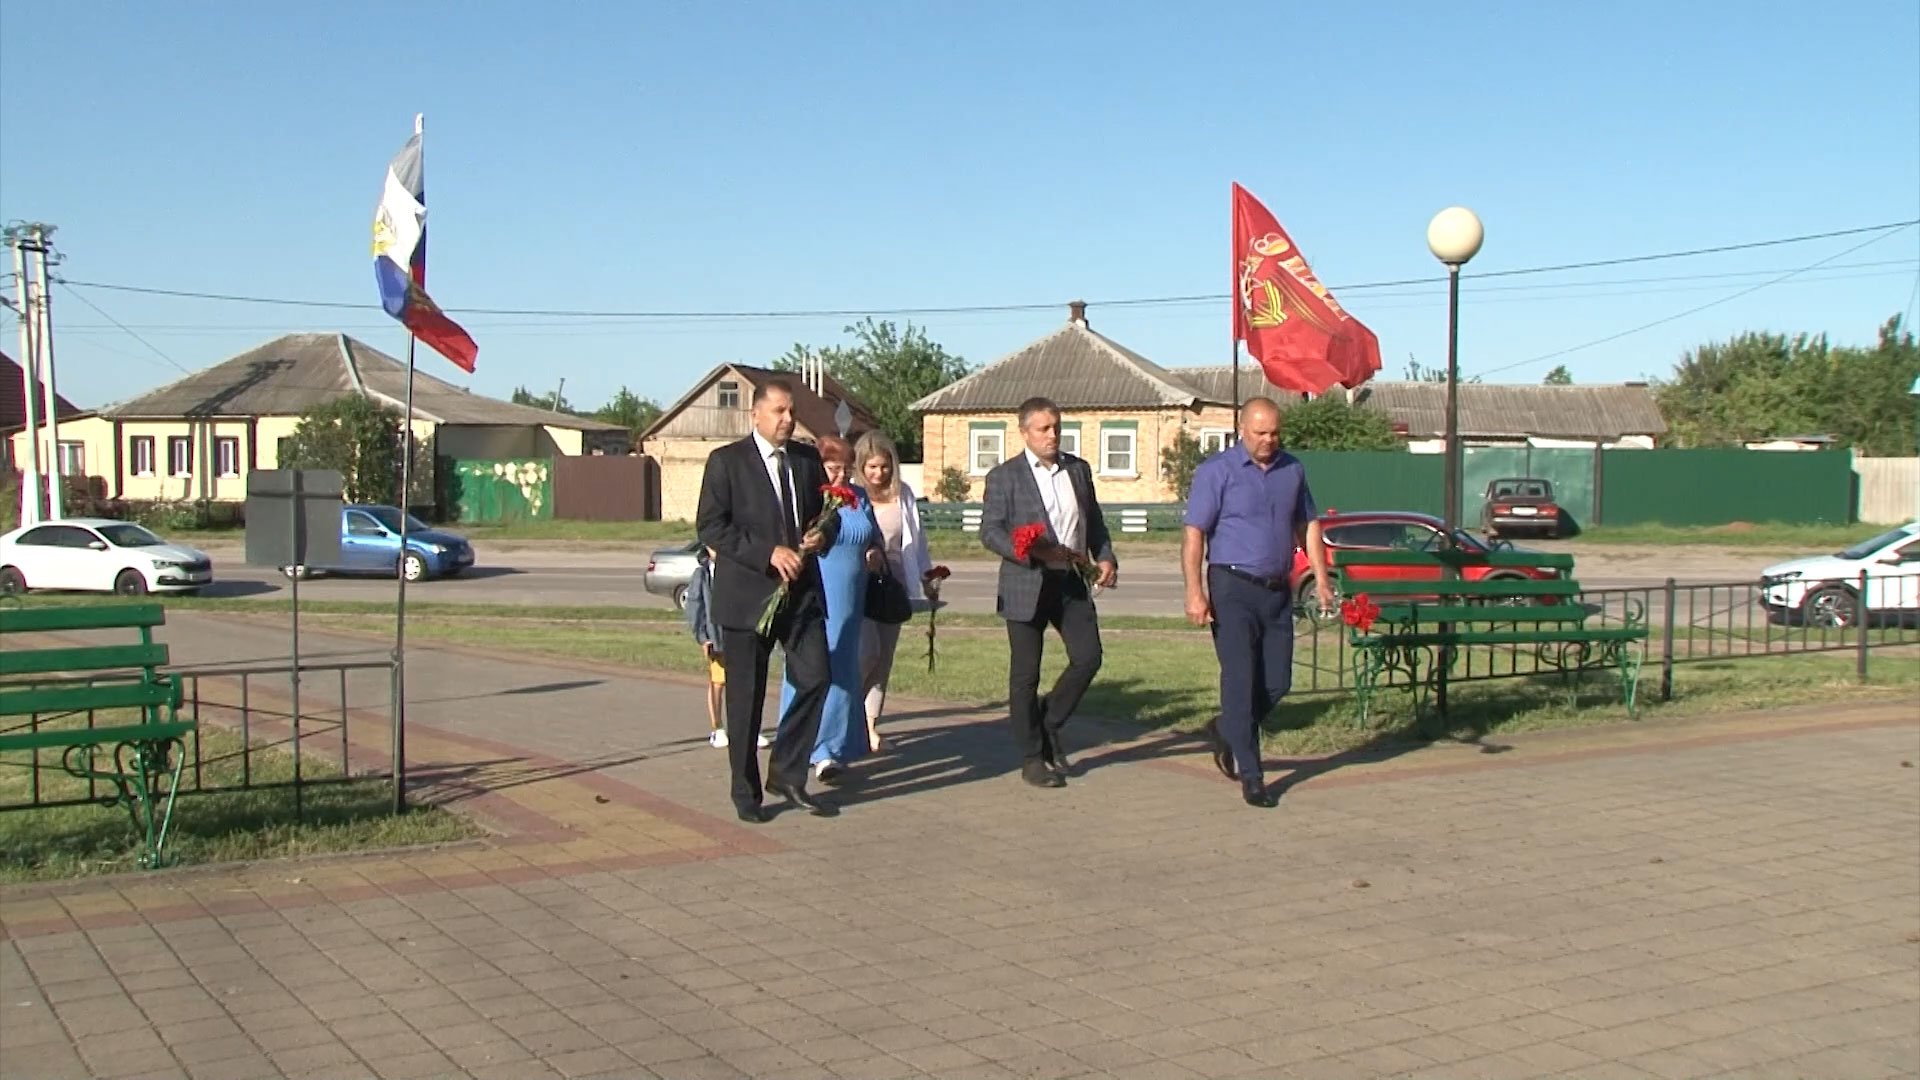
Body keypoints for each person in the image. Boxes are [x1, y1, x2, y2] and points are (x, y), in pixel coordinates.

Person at [694, 379, 837, 823]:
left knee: (816, 677)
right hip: (747, 598)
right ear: (755, 414)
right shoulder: (727, 462)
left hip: (801, 595)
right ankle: (746, 791)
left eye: (791, 411)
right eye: (779, 411)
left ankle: (787, 772)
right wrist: (767, 553)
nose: (788, 419)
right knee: (746, 699)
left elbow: (827, 516)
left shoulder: (807, 460)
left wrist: (822, 535)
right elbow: (711, 527)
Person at [1181, 396, 1332, 809]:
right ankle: (1252, 775)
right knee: (1240, 679)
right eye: (1261, 433)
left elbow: (1308, 524)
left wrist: (1321, 578)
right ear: (1242, 430)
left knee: (1278, 682)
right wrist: (1194, 592)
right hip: (1232, 587)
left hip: (1277, 590)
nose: (1269, 440)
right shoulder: (1217, 471)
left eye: (1275, 433)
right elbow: (1194, 533)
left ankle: (1227, 728)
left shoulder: (1292, 469)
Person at [979, 396, 1117, 789]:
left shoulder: (1077, 470)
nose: (1052, 435)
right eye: (1043, 428)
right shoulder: (1005, 476)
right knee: (1026, 674)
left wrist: (1105, 557)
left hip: (1070, 580)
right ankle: (1032, 757)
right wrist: (1025, 550)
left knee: (1088, 658)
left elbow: (1094, 522)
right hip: (1026, 581)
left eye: (1057, 427)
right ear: (1025, 433)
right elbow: (990, 531)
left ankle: (1049, 721)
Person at [776, 434, 885, 782]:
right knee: (813, 667)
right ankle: (810, 746)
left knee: (845, 669)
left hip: (853, 596)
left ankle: (835, 747)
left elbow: (873, 534)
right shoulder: (811, 498)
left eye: (846, 470)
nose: (840, 476)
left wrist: (875, 551)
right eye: (833, 468)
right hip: (819, 593)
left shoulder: (859, 497)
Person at [853, 429, 935, 752]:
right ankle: (843, 711)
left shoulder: (904, 493)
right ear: (861, 466)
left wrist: (927, 577)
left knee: (883, 659)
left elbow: (917, 539)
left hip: (894, 585)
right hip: (860, 585)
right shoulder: (852, 494)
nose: (879, 473)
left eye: (884, 466)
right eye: (872, 467)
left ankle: (869, 726)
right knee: (867, 652)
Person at [684, 546, 769, 751]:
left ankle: (748, 730)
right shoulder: (702, 574)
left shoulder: (737, 569)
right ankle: (717, 728)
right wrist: (703, 637)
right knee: (718, 682)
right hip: (717, 638)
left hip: (742, 634)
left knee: (745, 683)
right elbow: (695, 607)